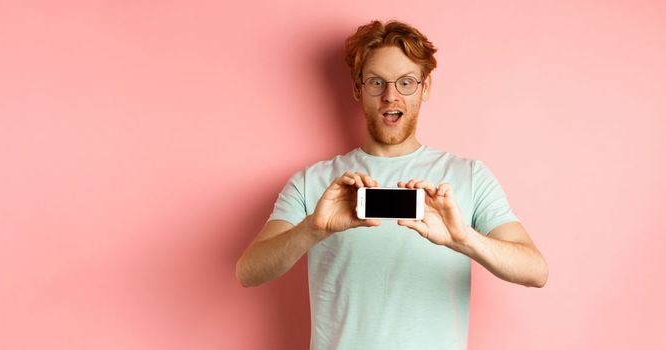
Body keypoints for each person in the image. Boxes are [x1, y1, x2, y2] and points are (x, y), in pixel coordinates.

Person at [235, 19, 548, 349]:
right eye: (376, 83)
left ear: (425, 88)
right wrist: (314, 229)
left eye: (406, 82)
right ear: (358, 89)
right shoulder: (313, 182)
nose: (390, 95)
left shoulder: (469, 176)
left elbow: (535, 271)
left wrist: (464, 239)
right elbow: (249, 271)